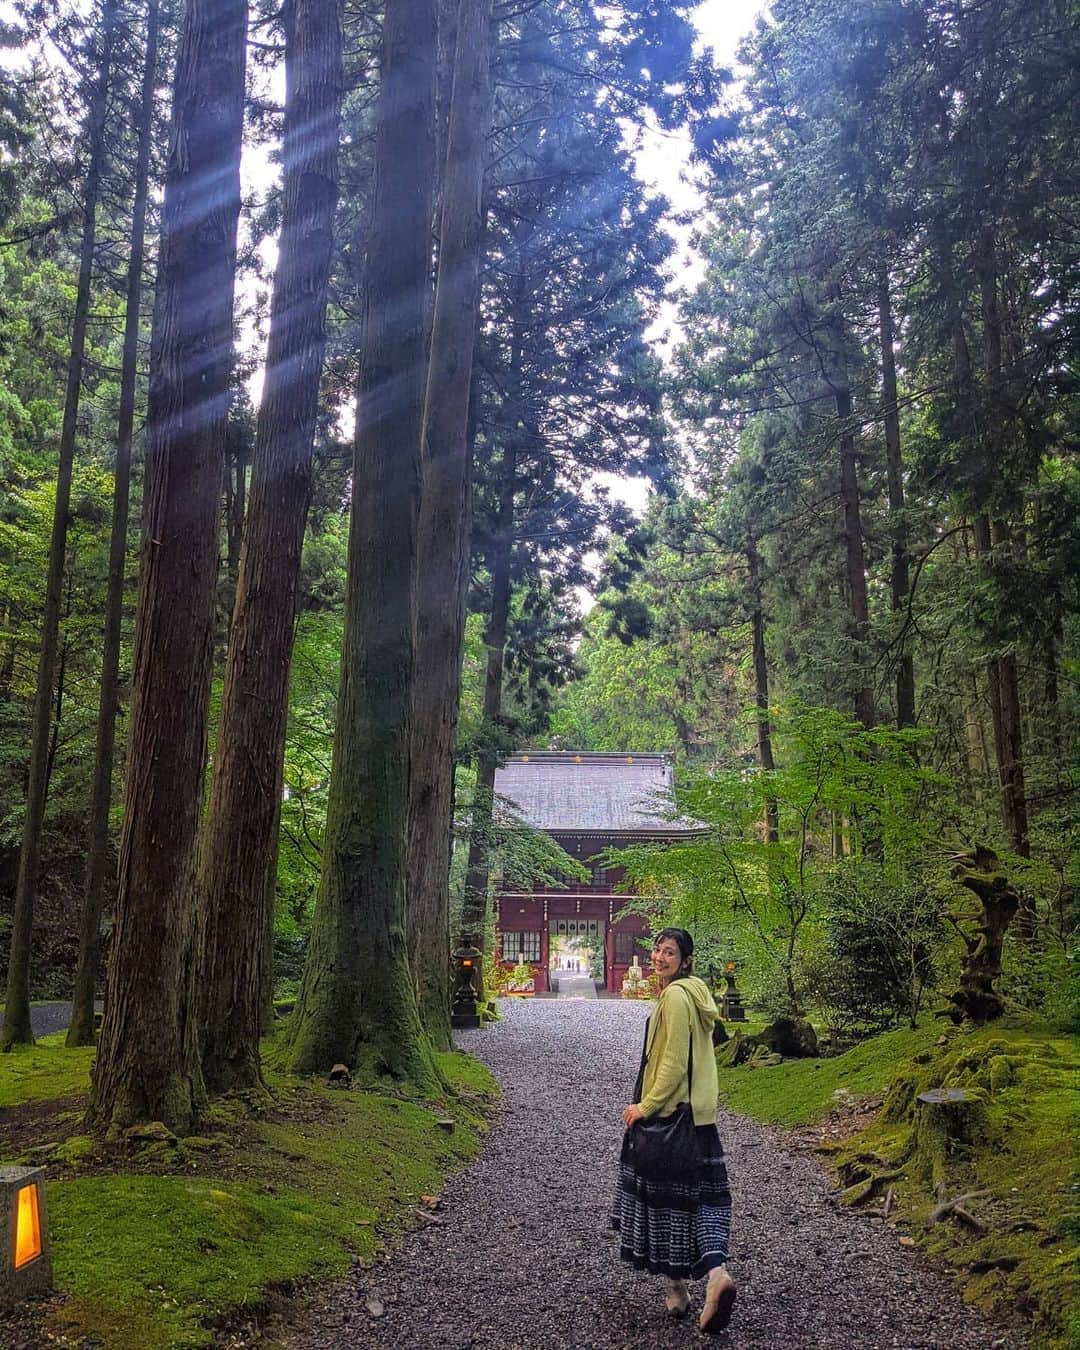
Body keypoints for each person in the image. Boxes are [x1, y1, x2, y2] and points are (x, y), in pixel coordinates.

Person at [611, 927, 736, 1333]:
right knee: (701, 1200)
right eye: (658, 950)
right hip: (699, 1119)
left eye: (670, 952)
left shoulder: (677, 996)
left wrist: (645, 1106)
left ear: (684, 961)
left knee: (663, 1203)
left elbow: (672, 1062)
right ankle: (702, 1282)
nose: (660, 957)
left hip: (671, 1115)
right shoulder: (696, 993)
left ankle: (691, 1283)